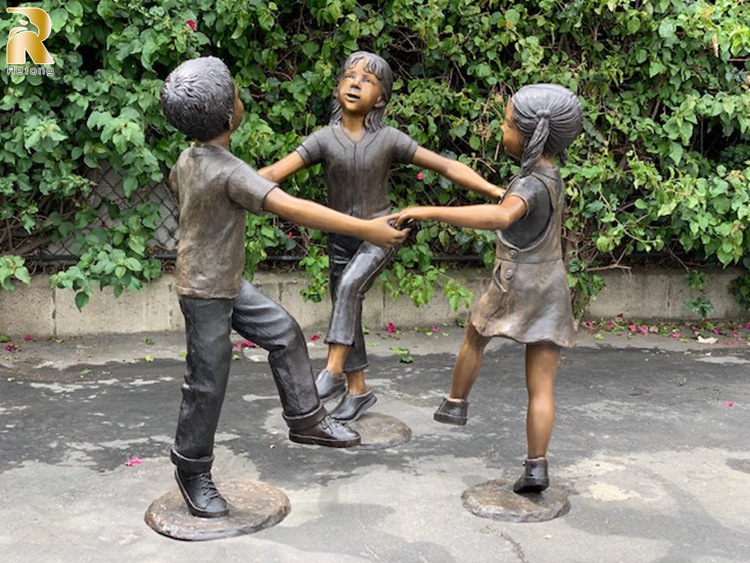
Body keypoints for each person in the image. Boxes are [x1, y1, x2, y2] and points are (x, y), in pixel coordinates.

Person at [160, 56, 408, 518]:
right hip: (204, 291)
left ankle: (307, 419)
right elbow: (292, 208)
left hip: (226, 280)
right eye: (236, 95)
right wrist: (367, 229)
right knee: (206, 385)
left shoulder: (189, 158)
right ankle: (192, 470)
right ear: (227, 115)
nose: (240, 100)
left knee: (285, 333)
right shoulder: (228, 171)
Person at [259, 51, 503, 423]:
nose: (355, 83)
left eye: (368, 80)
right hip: (341, 238)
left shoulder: (389, 139)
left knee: (350, 286)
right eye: (349, 76)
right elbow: (276, 171)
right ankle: (358, 392)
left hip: (381, 234)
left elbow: (446, 164)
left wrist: (493, 191)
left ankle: (332, 371)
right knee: (348, 306)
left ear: (381, 98)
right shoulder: (323, 139)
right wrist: (228, 178)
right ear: (338, 85)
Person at [396, 84, 583, 494]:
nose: (501, 129)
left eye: (508, 122)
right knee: (542, 382)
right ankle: (537, 465)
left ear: (532, 135)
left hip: (517, 280)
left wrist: (429, 210)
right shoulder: (550, 174)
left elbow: (502, 216)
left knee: (476, 333)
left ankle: (455, 402)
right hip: (552, 285)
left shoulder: (529, 185)